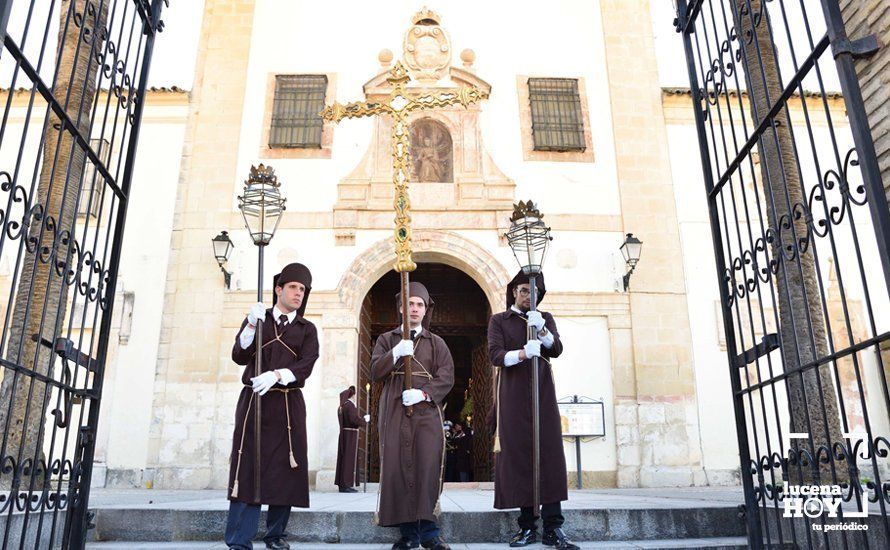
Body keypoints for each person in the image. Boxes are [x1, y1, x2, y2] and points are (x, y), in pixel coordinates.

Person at [225, 263, 319, 550]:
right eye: (293, 287)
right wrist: (251, 326)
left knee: (284, 470)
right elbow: (239, 355)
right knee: (248, 464)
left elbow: (307, 364)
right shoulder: (258, 318)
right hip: (254, 401)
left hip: (287, 405)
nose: (298, 293)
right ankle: (240, 539)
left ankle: (275, 535)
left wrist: (277, 375)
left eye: (302, 289)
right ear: (279, 289)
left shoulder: (307, 329)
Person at [487, 270, 578, 550]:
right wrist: (524, 353)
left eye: (534, 292)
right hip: (513, 394)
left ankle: (554, 528)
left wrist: (543, 332)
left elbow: (557, 349)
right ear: (514, 291)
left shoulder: (545, 318)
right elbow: (495, 355)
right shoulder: (499, 320)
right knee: (521, 456)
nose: (529, 296)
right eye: (524, 290)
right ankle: (527, 527)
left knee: (549, 454)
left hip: (542, 393)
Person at [371, 282, 454, 550]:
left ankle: (430, 533)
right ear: (401, 308)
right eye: (410, 304)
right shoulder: (387, 339)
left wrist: (424, 394)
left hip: (426, 412)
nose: (414, 309)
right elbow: (374, 371)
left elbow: (447, 376)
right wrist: (396, 353)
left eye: (419, 304)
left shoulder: (437, 343)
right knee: (399, 465)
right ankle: (408, 534)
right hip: (395, 408)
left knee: (426, 465)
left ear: (425, 309)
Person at [335, 385, 370, 492]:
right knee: (348, 460)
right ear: (352, 395)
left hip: (344, 435)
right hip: (350, 436)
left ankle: (342, 485)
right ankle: (346, 485)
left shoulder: (341, 406)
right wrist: (364, 420)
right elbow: (354, 420)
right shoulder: (349, 406)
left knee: (344, 459)